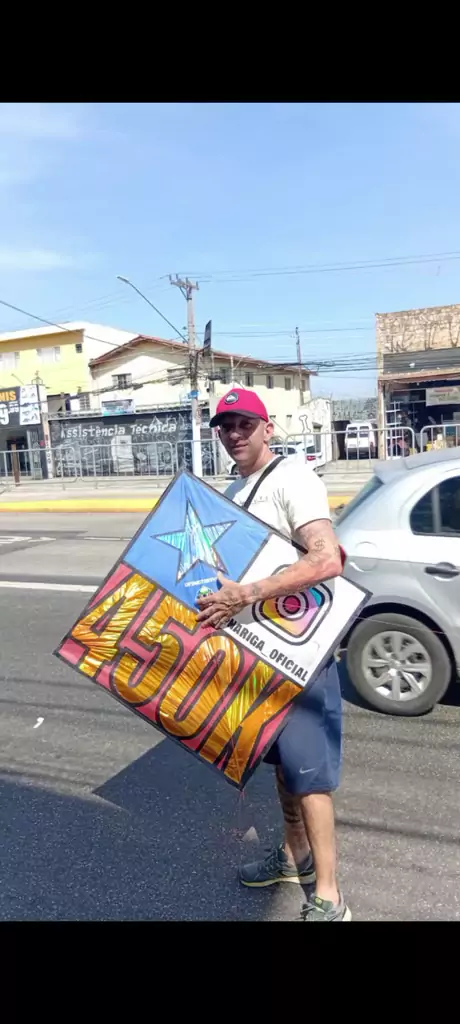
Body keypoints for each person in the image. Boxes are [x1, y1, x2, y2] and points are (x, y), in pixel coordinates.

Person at [196, 387, 350, 922]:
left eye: (245, 424)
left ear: (268, 429)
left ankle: (329, 895)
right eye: (225, 426)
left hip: (299, 652)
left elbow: (326, 559)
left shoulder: (293, 478)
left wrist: (249, 593)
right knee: (283, 768)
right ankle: (292, 857)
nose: (234, 434)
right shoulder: (232, 490)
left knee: (310, 774)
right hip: (257, 655)